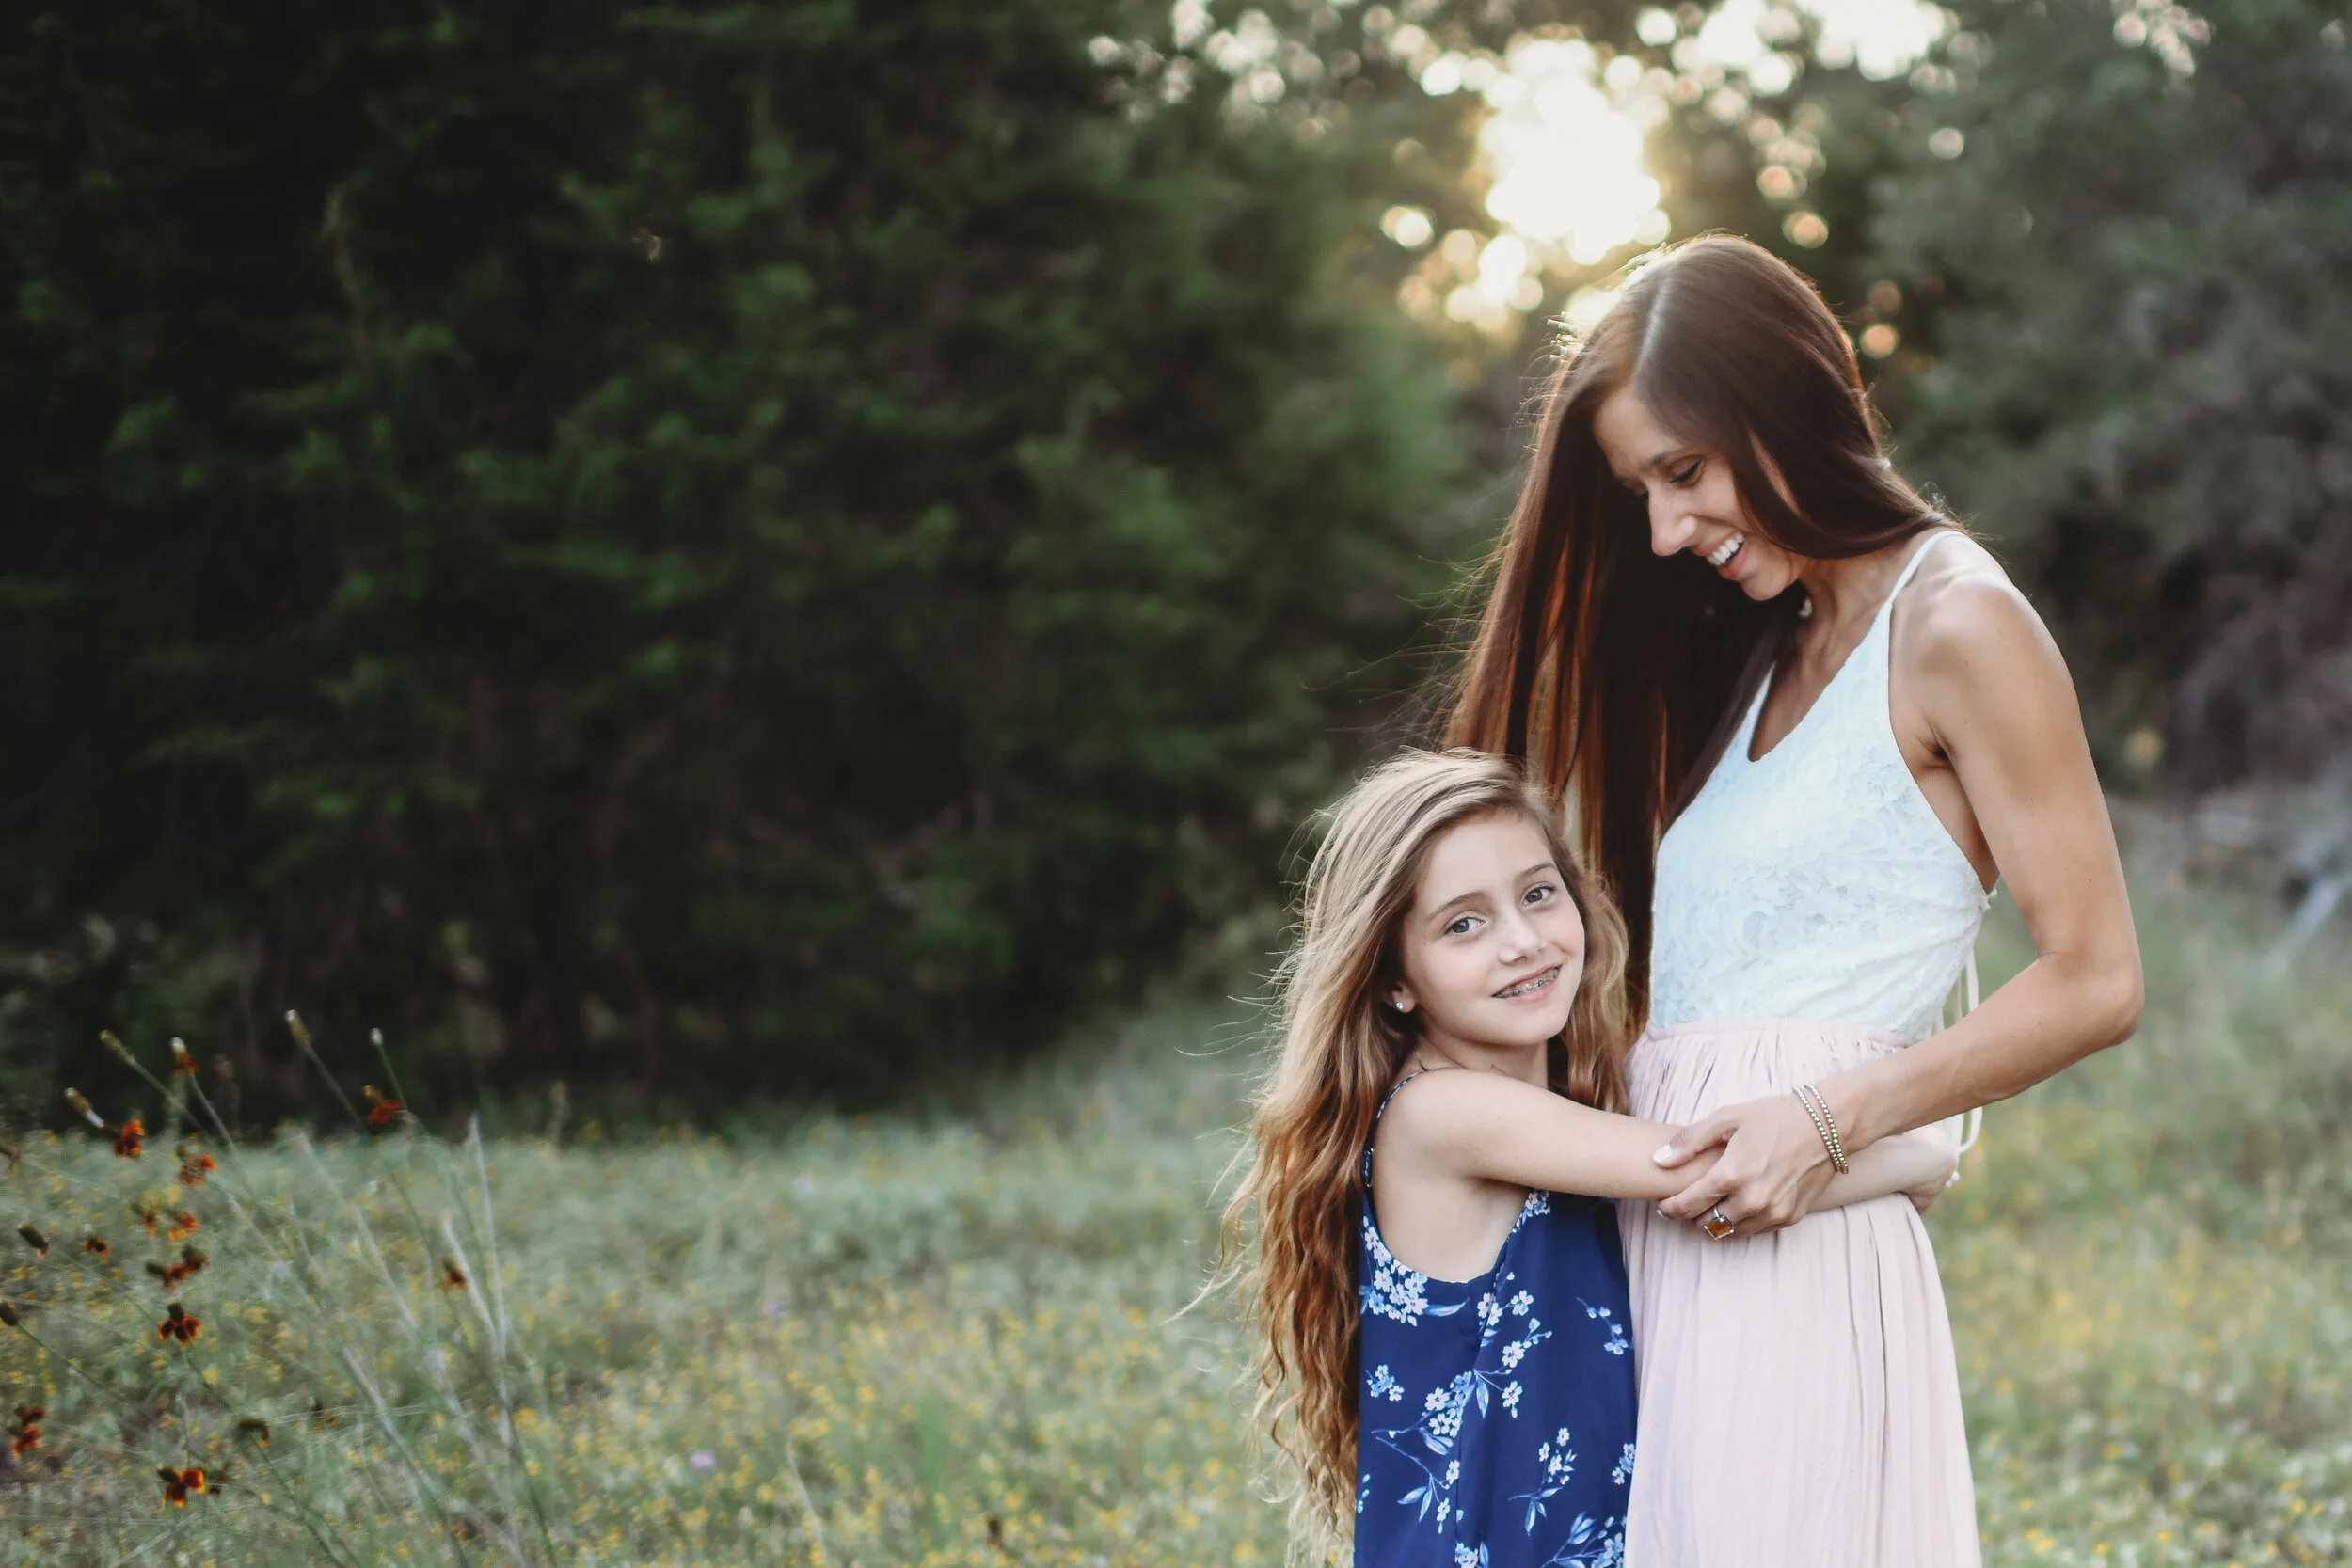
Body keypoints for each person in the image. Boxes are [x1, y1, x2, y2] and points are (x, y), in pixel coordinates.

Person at [1444, 235, 2145, 1566]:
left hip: (1792, 1257)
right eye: (1642, 491)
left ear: (1782, 404)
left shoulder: (1958, 624)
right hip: (1674, 1245)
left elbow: (2097, 976)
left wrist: (1830, 1124)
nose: (1666, 529)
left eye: (1684, 472)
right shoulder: (1762, 645)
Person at [1221, 749, 1956, 1568]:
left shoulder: (1571, 1109)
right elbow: (1712, 1171)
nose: (1522, 940)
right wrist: (1920, 1156)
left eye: (1538, 893)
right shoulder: (1439, 1113)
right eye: (1463, 924)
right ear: (1396, 980)